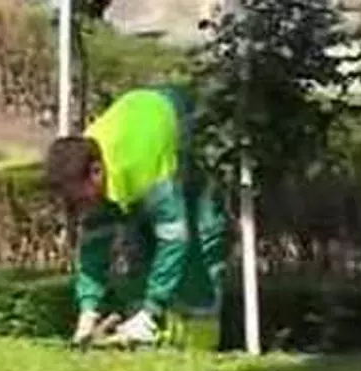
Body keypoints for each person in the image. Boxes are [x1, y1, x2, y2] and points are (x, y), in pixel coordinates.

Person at [44, 85, 230, 347]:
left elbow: (175, 240)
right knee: (137, 254)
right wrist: (88, 310)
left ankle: (199, 350)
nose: (79, 206)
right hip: (137, 127)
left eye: (81, 199)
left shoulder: (147, 173)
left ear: (96, 172)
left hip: (179, 130)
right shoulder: (83, 163)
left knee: (199, 252)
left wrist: (150, 312)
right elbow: (94, 243)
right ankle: (147, 338)